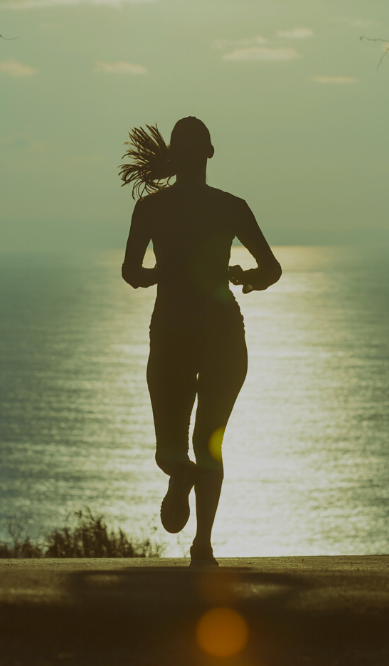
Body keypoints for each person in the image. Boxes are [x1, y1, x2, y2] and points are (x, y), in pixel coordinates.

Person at [119, 117, 281, 566]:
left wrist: (159, 275)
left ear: (174, 155)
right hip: (222, 334)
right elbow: (272, 269)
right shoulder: (231, 207)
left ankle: (183, 480)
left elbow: (131, 273)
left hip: (171, 332)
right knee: (209, 440)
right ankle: (202, 545)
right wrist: (246, 279)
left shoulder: (151, 208)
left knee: (170, 449)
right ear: (210, 152)